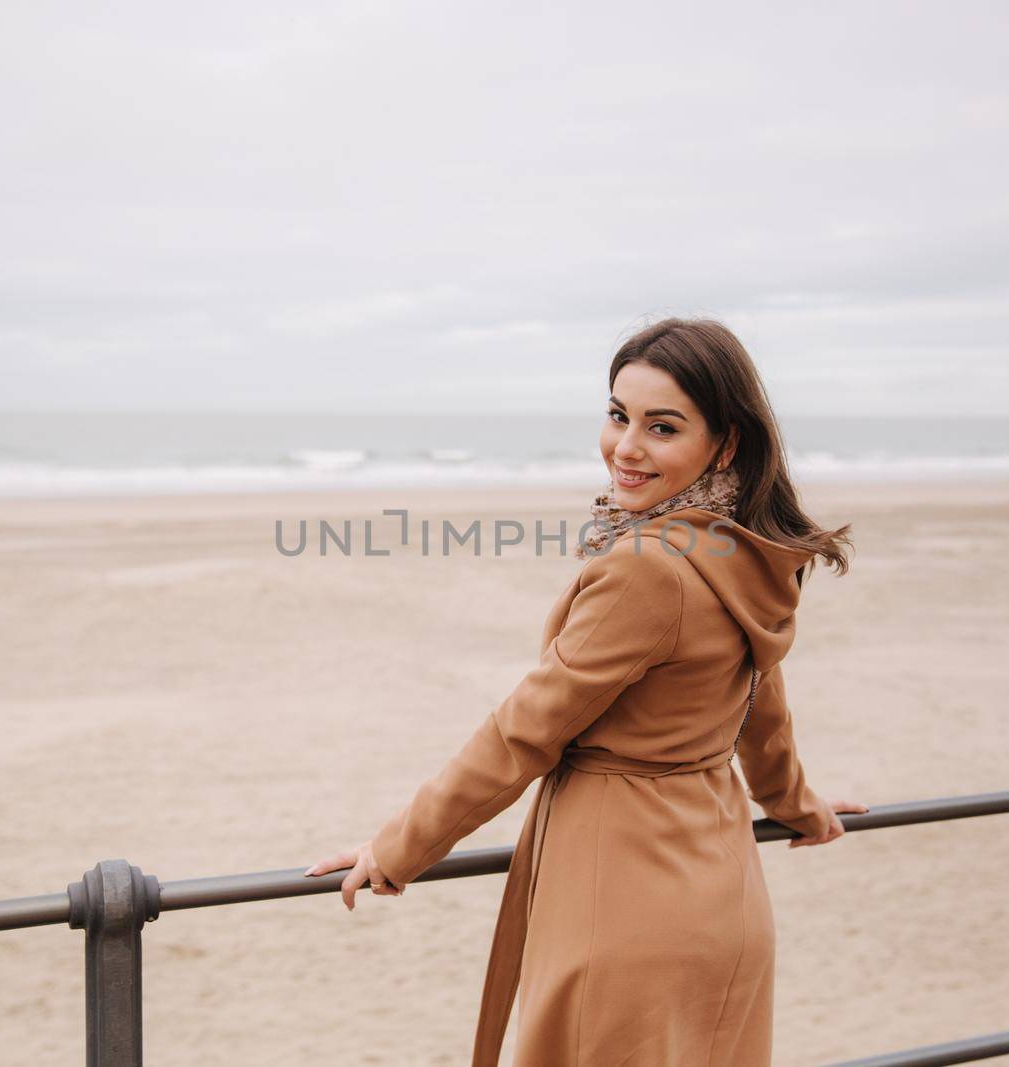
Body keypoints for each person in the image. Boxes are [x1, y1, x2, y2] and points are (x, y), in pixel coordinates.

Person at [305, 317, 866, 1065]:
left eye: (661, 427)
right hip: (722, 892)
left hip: (622, 904)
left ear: (725, 443)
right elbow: (760, 708)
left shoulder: (648, 570)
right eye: (617, 414)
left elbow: (524, 730)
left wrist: (400, 847)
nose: (626, 447)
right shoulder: (737, 552)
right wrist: (798, 806)